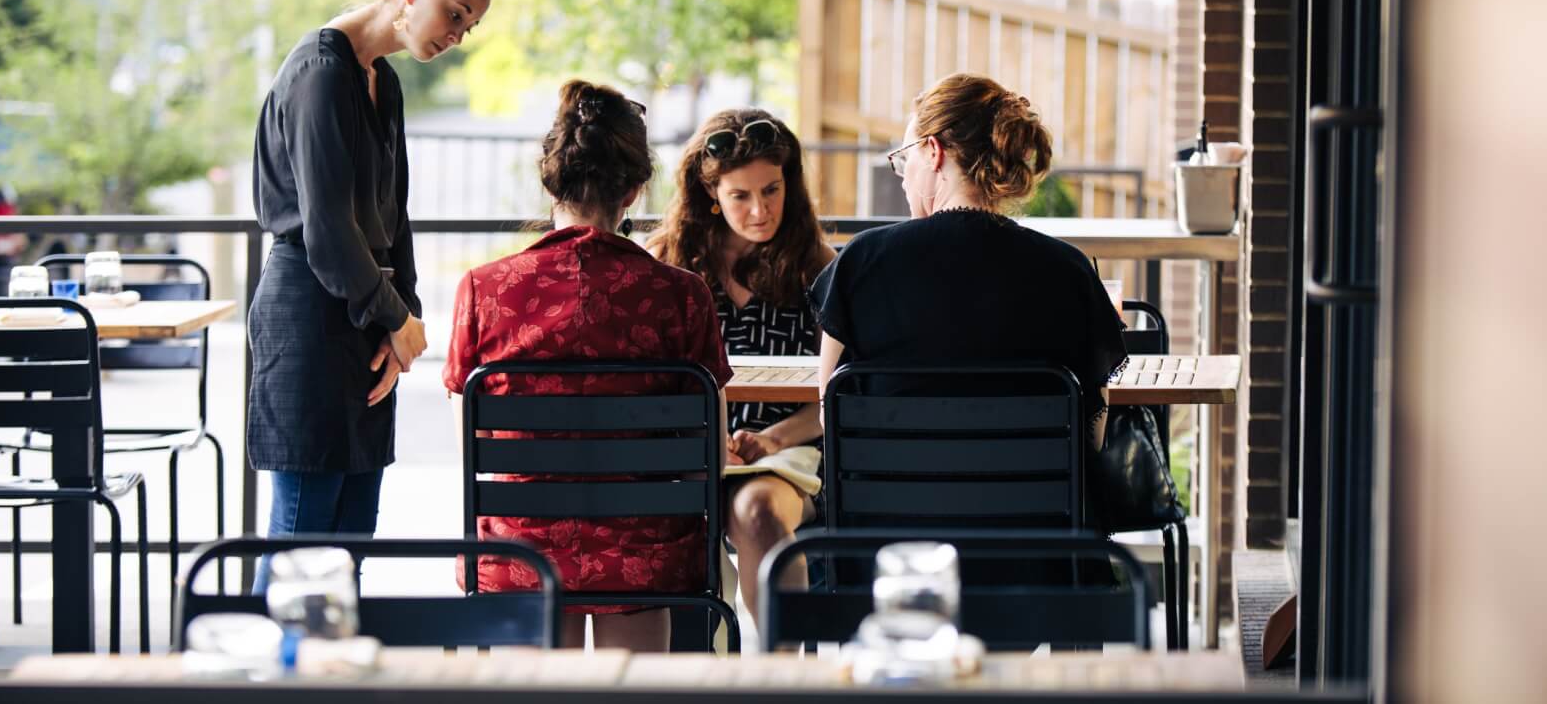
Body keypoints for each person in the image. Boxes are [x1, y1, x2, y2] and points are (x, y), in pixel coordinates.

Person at [248, 0, 493, 589]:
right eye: (456, 12)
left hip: (362, 316)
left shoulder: (382, 83)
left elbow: (396, 217)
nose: (459, 34)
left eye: (469, 24)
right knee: (302, 537)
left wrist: (402, 317)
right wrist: (394, 317)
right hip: (305, 315)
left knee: (352, 538)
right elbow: (325, 229)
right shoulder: (320, 71)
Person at [443, 80, 734, 652]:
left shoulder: (484, 290)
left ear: (551, 179)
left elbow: (470, 447)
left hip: (520, 549)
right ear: (634, 190)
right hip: (645, 552)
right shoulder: (681, 295)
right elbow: (711, 455)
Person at [810, 72, 1127, 452]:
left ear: (933, 151)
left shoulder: (861, 261)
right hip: (1032, 504)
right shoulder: (1067, 269)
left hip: (889, 502)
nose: (903, 179)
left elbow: (830, 416)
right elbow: (1092, 437)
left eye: (905, 159)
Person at [650, 110, 835, 622]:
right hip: (691, 451)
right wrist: (709, 443)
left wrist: (772, 438)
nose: (760, 210)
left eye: (772, 190)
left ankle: (777, 673)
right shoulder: (667, 263)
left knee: (754, 510)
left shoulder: (816, 266)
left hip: (791, 451)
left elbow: (839, 393)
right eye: (740, 196)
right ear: (711, 196)